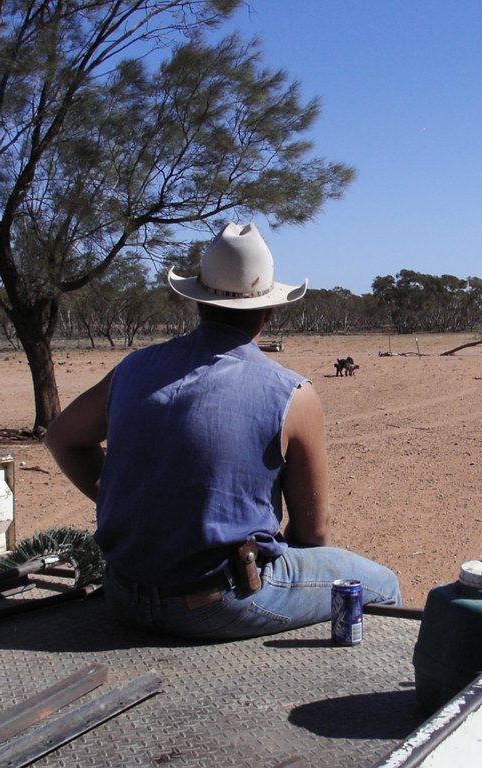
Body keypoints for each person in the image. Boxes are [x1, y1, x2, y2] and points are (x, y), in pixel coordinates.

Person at [44, 222, 401, 640]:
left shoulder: (133, 368)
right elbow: (313, 531)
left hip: (123, 593)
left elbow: (62, 438)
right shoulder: (291, 392)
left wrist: (128, 502)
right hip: (220, 602)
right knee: (383, 584)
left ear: (197, 303)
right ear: (268, 312)